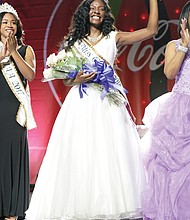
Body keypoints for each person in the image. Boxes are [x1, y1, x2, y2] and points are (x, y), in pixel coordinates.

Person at [26, 0, 158, 219]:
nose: (96, 11)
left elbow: (152, 30)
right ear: (85, 13)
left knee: (108, 153)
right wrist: (75, 78)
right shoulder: (74, 41)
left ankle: (107, 204)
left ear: (106, 13)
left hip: (108, 104)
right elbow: (68, 81)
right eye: (92, 8)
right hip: (81, 102)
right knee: (81, 151)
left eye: (101, 8)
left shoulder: (114, 37)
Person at [141, 1, 190, 219]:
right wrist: (185, 45)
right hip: (179, 111)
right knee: (172, 167)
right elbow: (170, 73)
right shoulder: (174, 45)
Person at [0, 2, 36, 220]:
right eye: (4, 22)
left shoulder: (25, 50)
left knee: (13, 155)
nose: (9, 26)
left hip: (14, 112)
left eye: (13, 22)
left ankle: (13, 209)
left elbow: (30, 75)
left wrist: (13, 52)